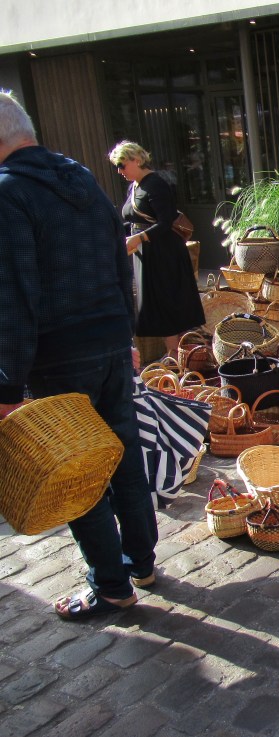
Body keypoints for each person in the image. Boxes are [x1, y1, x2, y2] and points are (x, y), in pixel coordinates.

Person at [0, 90, 157, 619]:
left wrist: (6, 385)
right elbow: (118, 264)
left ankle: (111, 585)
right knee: (122, 456)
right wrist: (126, 337)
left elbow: (13, 296)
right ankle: (141, 563)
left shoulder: (9, 193)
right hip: (109, 340)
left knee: (77, 471)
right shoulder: (82, 179)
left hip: (60, 354)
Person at [108, 140, 205, 356]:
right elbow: (134, 220)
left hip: (163, 252)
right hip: (146, 252)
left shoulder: (156, 184)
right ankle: (174, 353)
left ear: (136, 160)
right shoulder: (135, 186)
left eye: (122, 165)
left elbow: (165, 221)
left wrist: (138, 238)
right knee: (156, 303)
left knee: (166, 301)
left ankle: (175, 353)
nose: (119, 171)